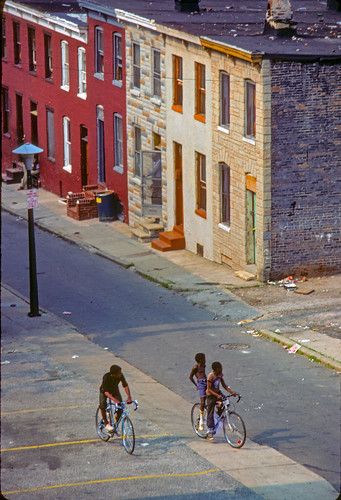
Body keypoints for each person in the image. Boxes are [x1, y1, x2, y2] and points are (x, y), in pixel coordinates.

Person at [206, 361, 238, 441]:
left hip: (218, 393)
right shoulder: (211, 376)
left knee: (226, 402)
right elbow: (209, 389)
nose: (221, 370)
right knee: (210, 412)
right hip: (211, 395)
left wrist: (232, 392)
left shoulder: (220, 375)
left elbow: (224, 385)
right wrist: (217, 395)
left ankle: (218, 416)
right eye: (219, 369)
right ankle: (210, 430)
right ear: (215, 370)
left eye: (221, 368)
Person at [99, 364, 132, 432]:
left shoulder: (120, 375)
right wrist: (115, 400)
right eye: (119, 373)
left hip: (114, 390)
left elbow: (125, 386)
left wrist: (129, 397)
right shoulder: (106, 377)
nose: (121, 374)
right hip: (105, 391)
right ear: (113, 374)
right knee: (102, 404)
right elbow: (106, 392)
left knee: (120, 406)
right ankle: (106, 423)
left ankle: (115, 425)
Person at [189, 353, 207, 430]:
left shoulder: (204, 366)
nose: (205, 360)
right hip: (201, 384)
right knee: (202, 402)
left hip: (206, 382)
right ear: (200, 360)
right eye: (204, 358)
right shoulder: (195, 367)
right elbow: (190, 377)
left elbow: (204, 374)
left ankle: (202, 417)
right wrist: (197, 385)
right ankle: (201, 421)